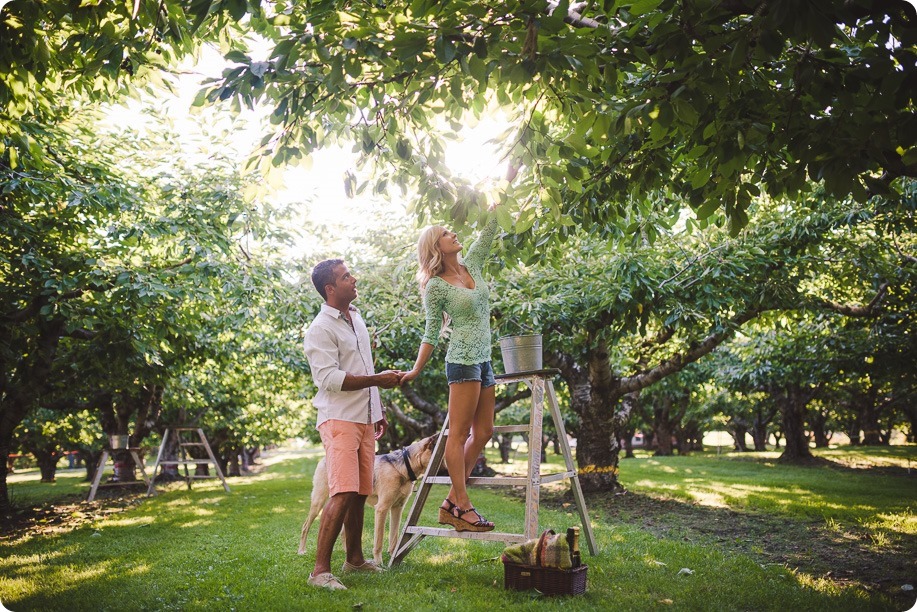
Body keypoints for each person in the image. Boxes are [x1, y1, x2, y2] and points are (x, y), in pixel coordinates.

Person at [400, 162, 519, 533]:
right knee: (458, 433)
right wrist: (416, 370)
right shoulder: (435, 286)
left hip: (484, 361)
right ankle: (463, 506)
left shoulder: (474, 265)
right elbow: (432, 331)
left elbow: (491, 224)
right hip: (462, 362)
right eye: (447, 233)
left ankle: (451, 501)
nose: (454, 234)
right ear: (436, 247)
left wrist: (506, 180)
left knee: (483, 432)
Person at [302, 258, 402, 590]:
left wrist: (378, 408)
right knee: (343, 491)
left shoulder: (355, 318)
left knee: (360, 492)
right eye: (347, 277)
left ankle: (355, 560)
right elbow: (329, 378)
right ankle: (319, 572)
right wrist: (378, 380)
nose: (354, 278)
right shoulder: (320, 328)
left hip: (363, 417)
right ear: (331, 289)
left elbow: (363, 365)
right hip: (339, 418)